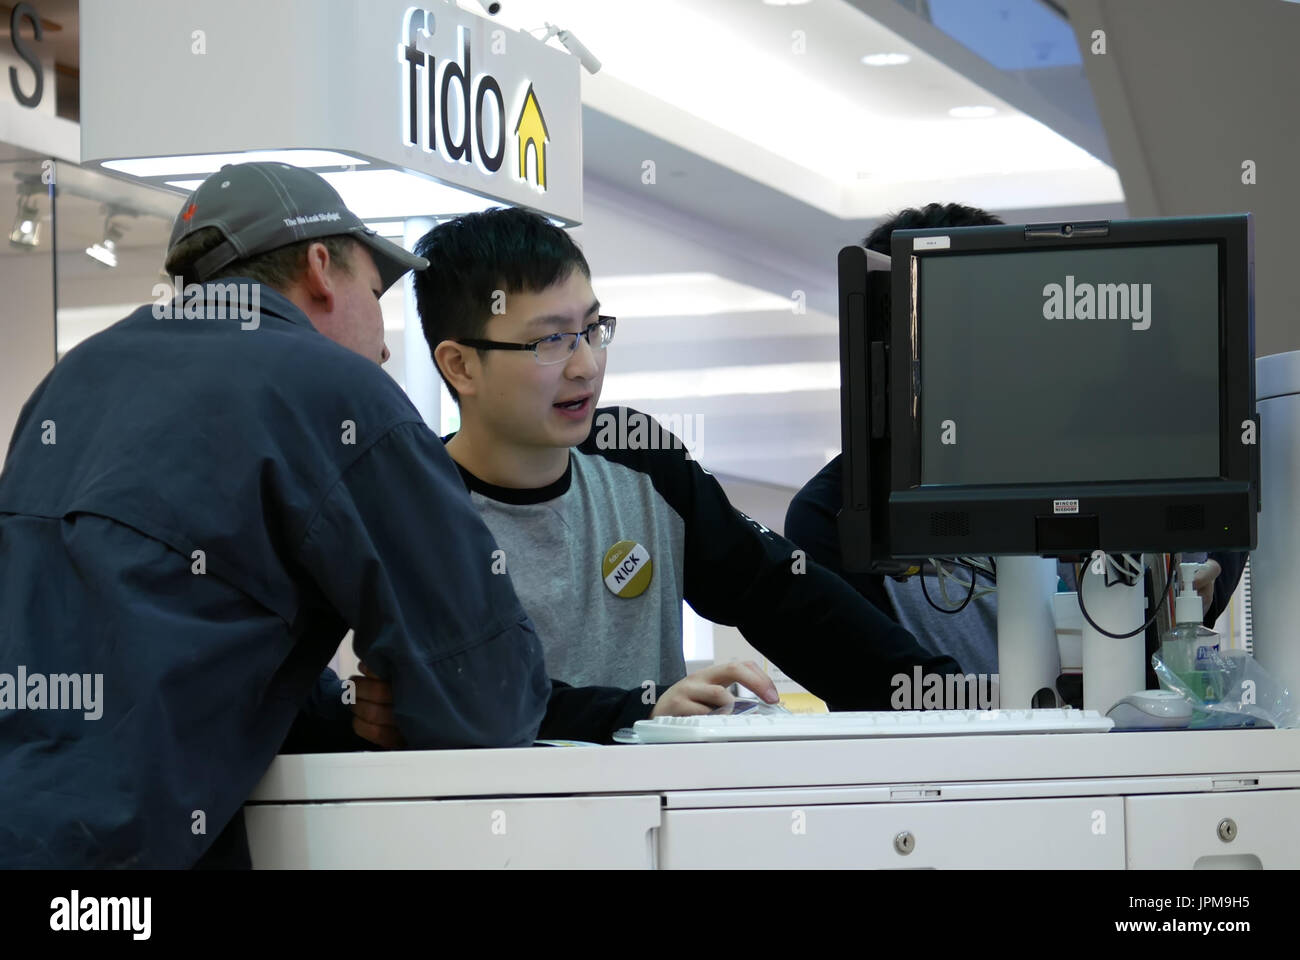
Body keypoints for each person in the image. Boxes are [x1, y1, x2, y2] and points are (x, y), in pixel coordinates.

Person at [0, 163, 551, 868]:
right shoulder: (334, 391)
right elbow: (487, 699)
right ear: (322, 267)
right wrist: (403, 699)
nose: (384, 345)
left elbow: (168, 632)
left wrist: (329, 708)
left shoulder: (67, 385)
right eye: (375, 291)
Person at [347, 207, 963, 748]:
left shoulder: (637, 459)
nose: (586, 365)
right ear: (460, 366)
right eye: (551, 342)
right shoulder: (417, 505)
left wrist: (945, 697)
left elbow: (783, 594)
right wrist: (642, 713)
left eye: (593, 329)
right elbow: (477, 696)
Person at [784, 202, 1246, 683]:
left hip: (1127, 745)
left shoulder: (1099, 452)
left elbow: (1220, 516)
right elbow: (877, 692)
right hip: (951, 754)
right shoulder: (833, 515)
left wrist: (1205, 570)